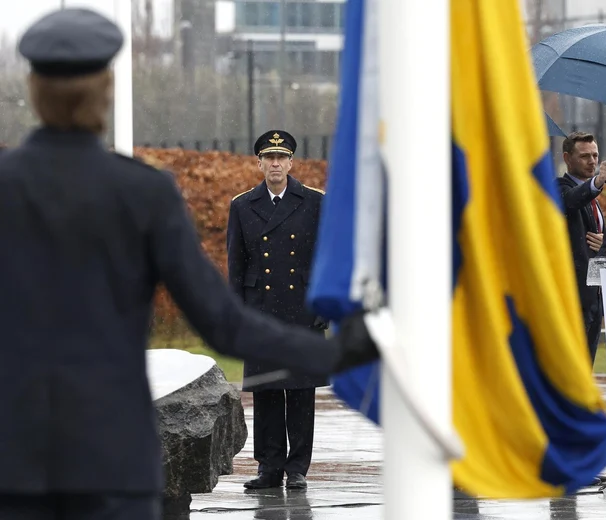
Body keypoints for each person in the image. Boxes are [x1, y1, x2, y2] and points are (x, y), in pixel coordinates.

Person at [0, 8, 378, 519]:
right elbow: (223, 322)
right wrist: (340, 353)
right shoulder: (143, 192)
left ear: (35, 90)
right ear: (107, 90)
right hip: (115, 457)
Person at [227, 130, 329, 490]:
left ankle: (297, 467)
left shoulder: (315, 202)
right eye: (268, 158)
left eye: (281, 158)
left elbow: (326, 258)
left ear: (291, 163)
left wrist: (324, 305)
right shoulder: (242, 205)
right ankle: (269, 466)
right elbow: (236, 265)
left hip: (301, 309)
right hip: (260, 312)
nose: (274, 163)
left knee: (300, 393)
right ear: (258, 163)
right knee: (266, 392)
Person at [556, 131, 606, 366]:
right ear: (567, 158)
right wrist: (598, 181)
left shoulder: (592, 196)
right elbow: (570, 201)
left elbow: (592, 239)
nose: (592, 161)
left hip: (594, 295)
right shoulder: (560, 187)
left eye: (595, 155)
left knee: (586, 366)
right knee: (571, 366)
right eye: (584, 156)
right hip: (572, 295)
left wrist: (605, 244)